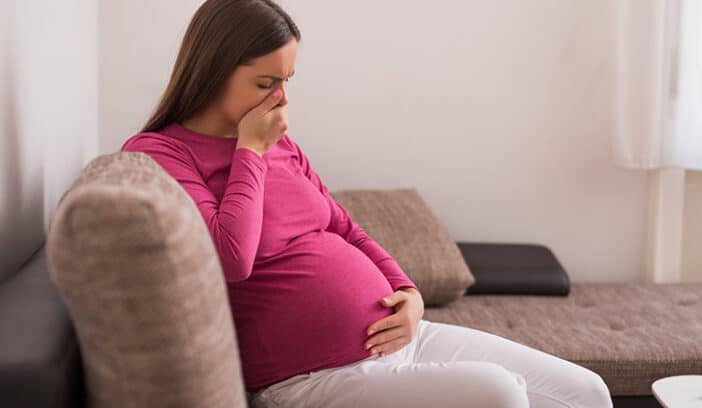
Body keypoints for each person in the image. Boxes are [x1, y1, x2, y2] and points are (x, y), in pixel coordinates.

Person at [120, 1, 614, 407]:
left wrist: (408, 292)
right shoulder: (161, 154)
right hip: (310, 376)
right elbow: (231, 258)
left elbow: (344, 227)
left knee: (587, 392)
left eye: (288, 80)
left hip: (399, 340)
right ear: (212, 71)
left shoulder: (282, 144)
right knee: (501, 394)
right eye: (266, 83)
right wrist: (249, 150)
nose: (282, 101)